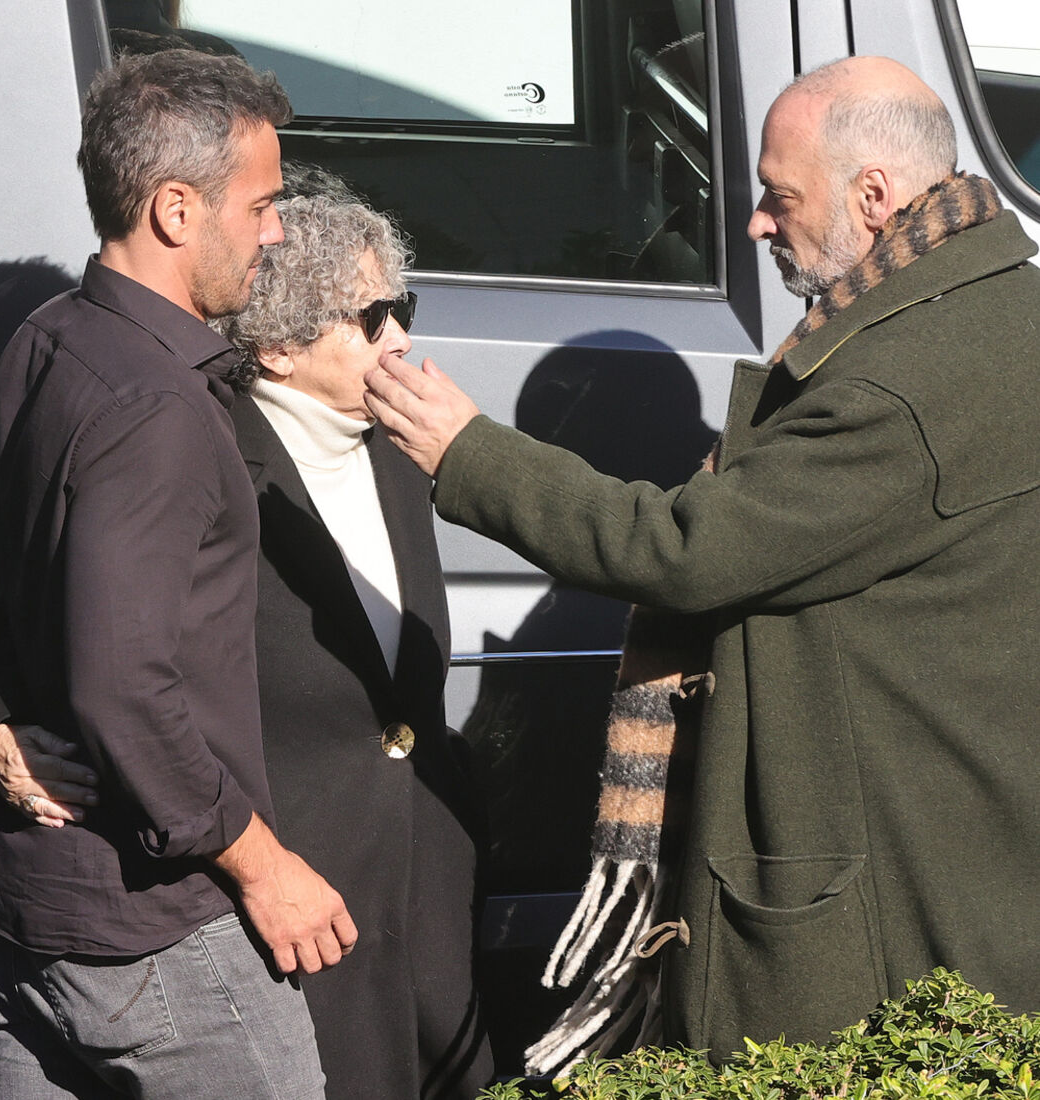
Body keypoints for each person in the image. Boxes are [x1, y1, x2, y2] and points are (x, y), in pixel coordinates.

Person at [363, 54, 1040, 1064]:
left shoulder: (892, 387)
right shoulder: (989, 303)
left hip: (887, 888)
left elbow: (683, 549)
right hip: (957, 853)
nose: (757, 225)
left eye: (777, 198)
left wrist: (470, 453)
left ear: (872, 194)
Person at [0, 169, 495, 1098]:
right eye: (372, 318)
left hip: (421, 890)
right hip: (283, 904)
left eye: (401, 304)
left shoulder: (403, 451)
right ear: (284, 348)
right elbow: (53, 627)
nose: (403, 338)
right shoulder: (195, 442)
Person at [0, 50, 355, 1098]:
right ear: (176, 209)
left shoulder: (45, 342)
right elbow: (123, 682)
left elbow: (24, 601)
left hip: (19, 915)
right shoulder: (154, 408)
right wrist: (266, 870)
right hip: (152, 933)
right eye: (263, 203)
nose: (277, 229)